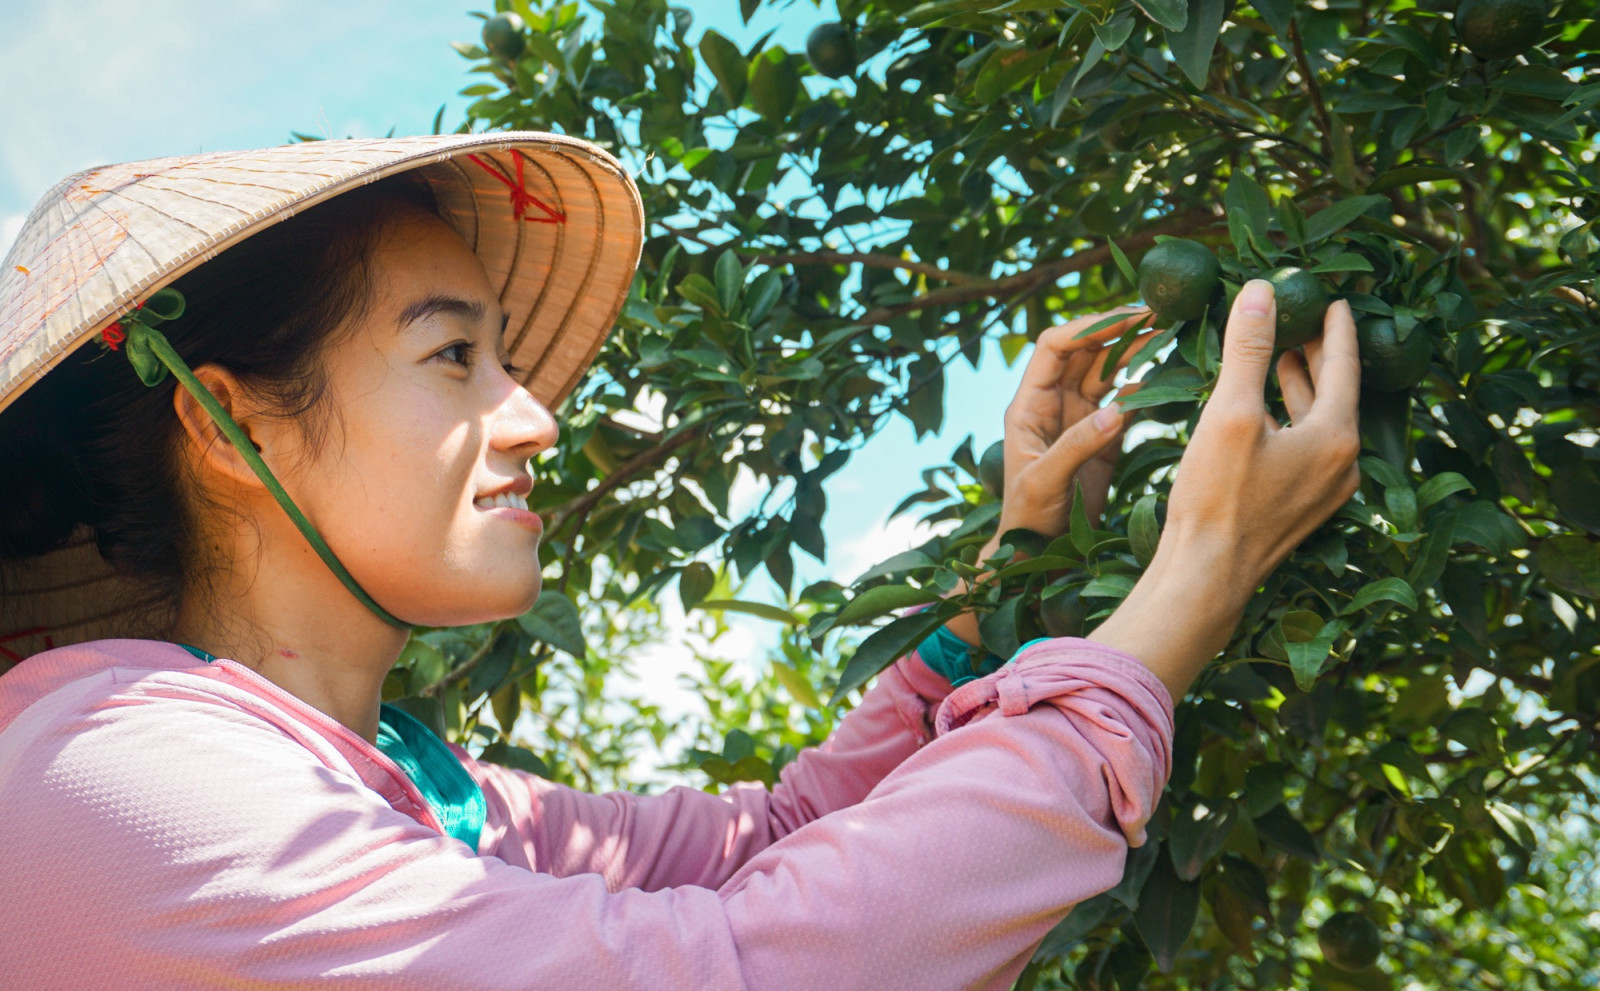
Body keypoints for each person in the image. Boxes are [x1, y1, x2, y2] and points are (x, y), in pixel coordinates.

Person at [0, 133, 1360, 989]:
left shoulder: (437, 801)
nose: (536, 414)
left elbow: (770, 847)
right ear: (234, 425)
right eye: (452, 356)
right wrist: (1187, 589)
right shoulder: (119, 783)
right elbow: (743, 969)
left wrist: (1001, 587)